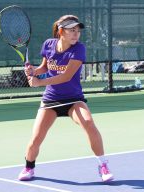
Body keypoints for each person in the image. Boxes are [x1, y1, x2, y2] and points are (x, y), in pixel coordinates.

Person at [18, 15, 114, 182]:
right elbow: (45, 67)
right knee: (36, 139)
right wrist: (33, 70)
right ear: (61, 31)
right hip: (51, 100)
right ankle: (29, 167)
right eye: (72, 30)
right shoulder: (49, 45)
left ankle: (103, 166)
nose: (76, 34)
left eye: (78, 30)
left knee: (89, 124)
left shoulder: (79, 49)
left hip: (73, 99)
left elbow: (66, 76)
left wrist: (39, 82)